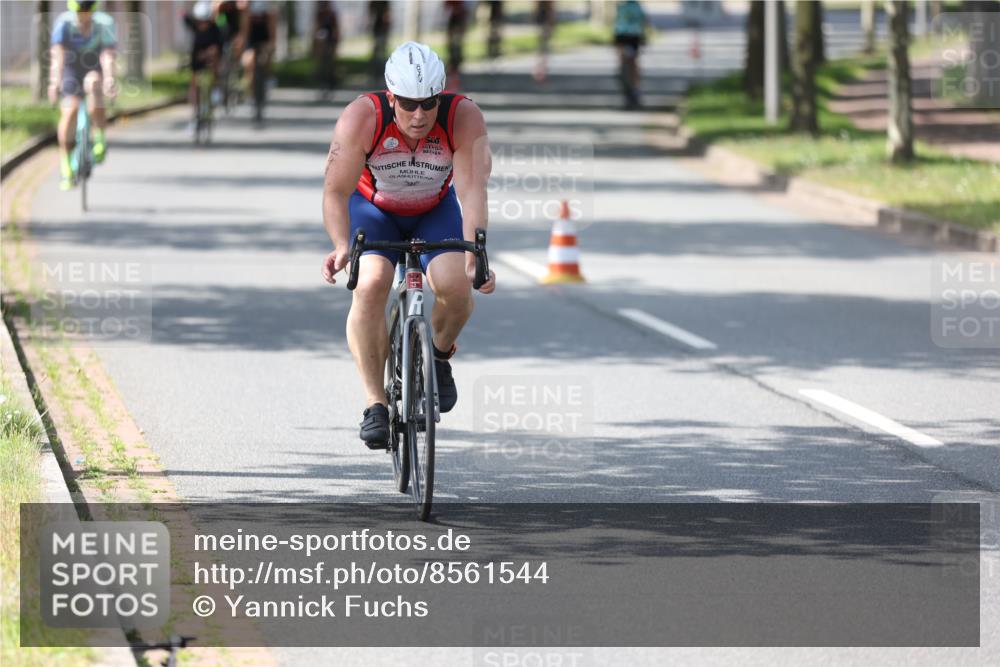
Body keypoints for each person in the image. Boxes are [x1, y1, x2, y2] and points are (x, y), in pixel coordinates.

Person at [321, 42, 496, 449]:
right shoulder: (362, 117)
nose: (419, 115)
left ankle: (436, 355)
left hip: (433, 210)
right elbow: (335, 190)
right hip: (373, 210)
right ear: (390, 95)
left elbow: (472, 191)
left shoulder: (463, 116)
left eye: (429, 103)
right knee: (370, 284)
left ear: (441, 96)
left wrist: (475, 255)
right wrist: (341, 244)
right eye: (408, 103)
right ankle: (375, 403)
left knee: (456, 288)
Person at [48, 0, 117, 191]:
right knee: (69, 112)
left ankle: (100, 139)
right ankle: (66, 165)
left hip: (93, 66)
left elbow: (107, 55)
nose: (84, 15)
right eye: (80, 11)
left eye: (87, 10)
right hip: (71, 69)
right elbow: (57, 56)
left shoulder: (104, 23)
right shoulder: (64, 23)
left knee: (94, 84)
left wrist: (110, 78)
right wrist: (54, 82)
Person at [183, 1, 224, 126]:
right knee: (194, 82)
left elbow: (218, 47)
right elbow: (184, 17)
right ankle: (196, 113)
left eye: (205, 21)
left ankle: (216, 87)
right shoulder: (193, 24)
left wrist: (210, 53)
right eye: (200, 21)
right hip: (197, 54)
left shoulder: (216, 28)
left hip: (212, 53)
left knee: (214, 61)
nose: (202, 24)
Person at [239, 0, 277, 115]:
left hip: (264, 40)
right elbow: (245, 34)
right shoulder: (248, 16)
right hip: (252, 41)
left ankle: (268, 76)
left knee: (267, 56)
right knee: (249, 61)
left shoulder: (269, 15)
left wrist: (271, 46)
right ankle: (250, 90)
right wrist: (244, 49)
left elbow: (272, 33)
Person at [613, 0, 649, 109]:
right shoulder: (636, 6)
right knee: (633, 62)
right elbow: (644, 22)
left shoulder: (622, 6)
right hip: (632, 36)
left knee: (626, 60)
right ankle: (634, 86)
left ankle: (627, 80)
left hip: (624, 36)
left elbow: (617, 22)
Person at [313, 1, 340, 94]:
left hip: (330, 43)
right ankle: (323, 84)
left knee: (330, 66)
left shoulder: (332, 15)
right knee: (322, 66)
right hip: (322, 44)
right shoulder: (319, 15)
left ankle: (331, 83)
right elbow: (316, 28)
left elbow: (335, 30)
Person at [443, 1, 468, 87]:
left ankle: (456, 64)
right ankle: (453, 63)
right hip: (453, 17)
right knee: (452, 43)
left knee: (457, 43)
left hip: (458, 17)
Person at [368, 1, 391, 82]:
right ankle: (376, 73)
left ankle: (380, 72)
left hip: (381, 29)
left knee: (380, 51)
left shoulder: (383, 3)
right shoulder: (376, 3)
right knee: (378, 51)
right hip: (378, 29)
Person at [533, 1, 555, 83]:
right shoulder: (542, 6)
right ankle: (541, 66)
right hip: (543, 20)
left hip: (544, 21)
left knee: (543, 46)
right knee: (542, 46)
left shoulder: (547, 5)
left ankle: (541, 65)